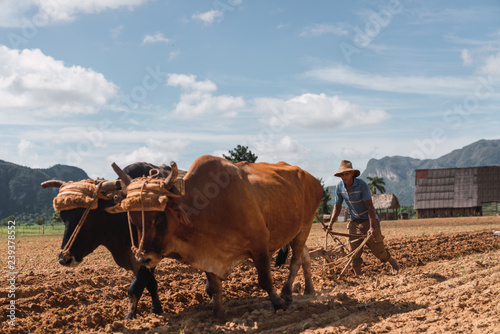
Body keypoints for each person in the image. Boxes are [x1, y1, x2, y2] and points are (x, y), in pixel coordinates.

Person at [327, 160, 399, 276]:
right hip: (354, 222)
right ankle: (358, 276)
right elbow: (337, 206)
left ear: (352, 173)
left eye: (346, 174)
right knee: (354, 252)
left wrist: (372, 227)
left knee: (378, 251)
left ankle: (392, 261)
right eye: (341, 174)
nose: (343, 177)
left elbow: (370, 207)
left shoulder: (362, 185)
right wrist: (330, 225)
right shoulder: (339, 187)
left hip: (368, 220)